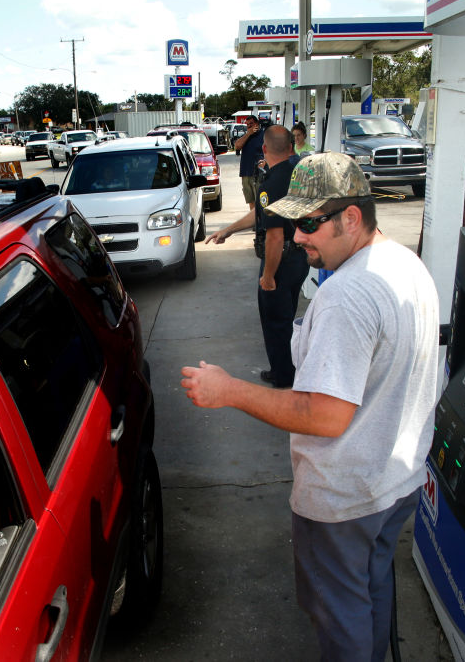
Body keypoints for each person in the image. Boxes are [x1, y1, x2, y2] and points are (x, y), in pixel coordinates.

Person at [181, 151, 439, 662]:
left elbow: (325, 416)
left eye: (309, 223)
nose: (298, 237)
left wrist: (229, 390)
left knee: (340, 618)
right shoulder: (401, 262)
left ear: (351, 217)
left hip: (346, 496)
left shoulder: (350, 294)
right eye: (293, 222)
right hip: (394, 482)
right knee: (370, 592)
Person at [205, 125, 309, 388]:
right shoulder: (298, 175)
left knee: (276, 323)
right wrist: (228, 230)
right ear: (291, 147)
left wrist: (268, 276)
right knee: (286, 318)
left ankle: (284, 377)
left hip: (280, 262)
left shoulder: (270, 184)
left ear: (264, 149)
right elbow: (260, 215)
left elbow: (274, 236)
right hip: (300, 260)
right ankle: (287, 369)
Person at [233, 115, 265, 211]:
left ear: (257, 124)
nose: (249, 126)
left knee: (260, 200)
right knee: (250, 200)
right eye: (247, 124)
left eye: (251, 123)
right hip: (246, 172)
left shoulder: (263, 135)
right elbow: (237, 146)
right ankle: (253, 222)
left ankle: (261, 223)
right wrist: (248, 134)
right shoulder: (246, 136)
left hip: (258, 173)